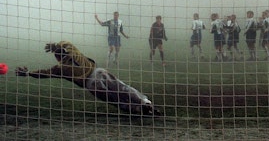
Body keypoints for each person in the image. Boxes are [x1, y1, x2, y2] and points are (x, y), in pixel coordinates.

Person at [15, 41, 161, 116]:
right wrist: (56, 45)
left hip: (91, 84)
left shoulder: (61, 69)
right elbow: (66, 44)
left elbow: (44, 73)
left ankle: (137, 110)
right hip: (99, 72)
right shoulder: (74, 51)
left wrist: (27, 73)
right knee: (123, 88)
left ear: (58, 57)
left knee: (115, 100)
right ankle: (145, 102)